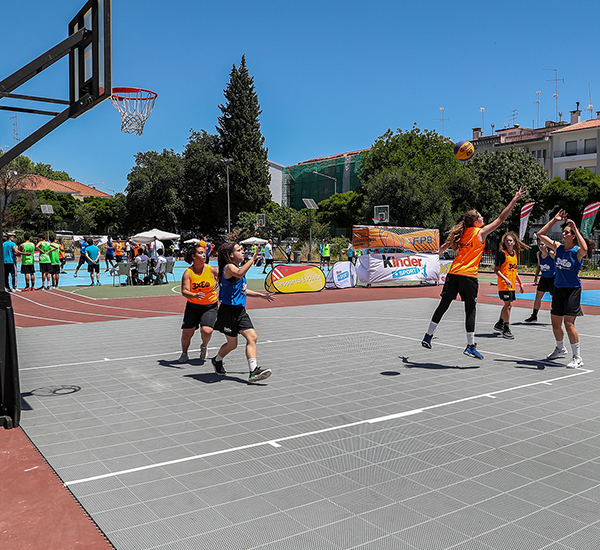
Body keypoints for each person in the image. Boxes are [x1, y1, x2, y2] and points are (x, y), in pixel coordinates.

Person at [421, 186, 527, 359]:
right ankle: (470, 346)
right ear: (476, 221)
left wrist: (441, 250)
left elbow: (446, 245)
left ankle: (428, 336)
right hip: (468, 276)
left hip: (454, 273)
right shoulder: (479, 232)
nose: (483, 217)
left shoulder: (461, 233)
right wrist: (514, 199)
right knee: (470, 310)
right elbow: (501, 219)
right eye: (480, 216)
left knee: (444, 304)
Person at [537, 209, 595, 368]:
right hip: (558, 289)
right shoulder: (558, 247)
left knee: (569, 323)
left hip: (572, 290)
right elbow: (540, 235)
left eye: (566, 232)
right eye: (563, 232)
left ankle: (578, 357)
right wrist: (554, 220)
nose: (563, 234)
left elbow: (584, 249)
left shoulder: (576, 252)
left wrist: (575, 228)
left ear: (573, 236)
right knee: (555, 324)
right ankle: (560, 348)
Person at [212, 242, 275, 383]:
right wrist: (252, 258)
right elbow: (240, 273)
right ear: (231, 255)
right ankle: (217, 360)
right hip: (228, 311)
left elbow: (243, 290)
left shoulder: (237, 269)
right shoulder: (229, 268)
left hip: (240, 311)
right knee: (232, 344)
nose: (242, 252)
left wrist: (261, 295)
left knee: (252, 337)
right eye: (239, 250)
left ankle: (253, 371)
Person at [178, 243, 219, 364]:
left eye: (204, 253)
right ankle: (184, 353)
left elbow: (224, 280)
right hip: (193, 307)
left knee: (207, 331)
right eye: (200, 253)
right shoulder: (188, 273)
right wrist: (195, 295)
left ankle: (204, 346)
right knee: (187, 334)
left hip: (210, 306)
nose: (204, 255)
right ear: (193, 256)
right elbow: (184, 291)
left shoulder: (211, 270)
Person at [493, 231, 528, 339]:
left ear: (514, 242)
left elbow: (515, 271)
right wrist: (505, 279)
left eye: (510, 240)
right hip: (504, 284)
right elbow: (496, 270)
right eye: (507, 240)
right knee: (508, 305)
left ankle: (500, 323)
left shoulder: (514, 254)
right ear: (504, 242)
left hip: (511, 285)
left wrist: (520, 283)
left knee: (508, 305)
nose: (509, 242)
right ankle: (506, 328)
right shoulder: (502, 253)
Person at [524, 241, 556, 323]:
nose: (540, 246)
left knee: (554, 298)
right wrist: (536, 275)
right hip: (544, 278)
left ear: (546, 245)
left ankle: (556, 315)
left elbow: (558, 264)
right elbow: (539, 265)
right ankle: (534, 315)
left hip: (553, 278)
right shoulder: (538, 254)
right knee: (538, 297)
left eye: (542, 244)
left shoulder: (551, 254)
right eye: (539, 244)